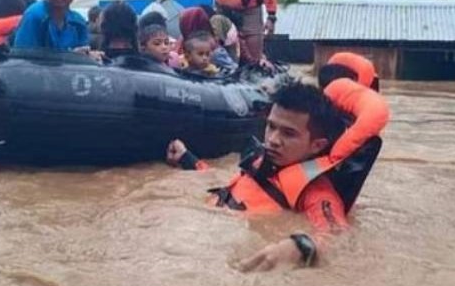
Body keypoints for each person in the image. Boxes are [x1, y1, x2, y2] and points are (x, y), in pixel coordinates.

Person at [167, 78, 389, 270]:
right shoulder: (262, 161)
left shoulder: (317, 194)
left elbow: (340, 238)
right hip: (190, 238)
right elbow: (230, 187)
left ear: (316, 145)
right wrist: (188, 159)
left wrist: (299, 246)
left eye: (288, 133)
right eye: (271, 126)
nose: (272, 139)